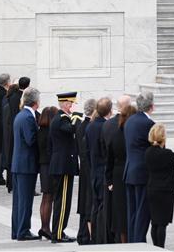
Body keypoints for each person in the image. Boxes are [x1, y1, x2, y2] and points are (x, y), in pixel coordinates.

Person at [50, 92, 83, 243]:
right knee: (62, 202)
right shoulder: (61, 118)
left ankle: (59, 231)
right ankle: (57, 233)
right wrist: (76, 116)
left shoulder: (62, 118)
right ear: (65, 103)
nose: (72, 106)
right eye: (71, 103)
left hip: (63, 165)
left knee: (64, 201)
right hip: (62, 166)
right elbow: (72, 129)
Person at [145, 124, 174, 248]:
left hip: (152, 188)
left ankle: (155, 247)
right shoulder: (167, 153)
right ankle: (160, 247)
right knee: (162, 223)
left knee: (155, 222)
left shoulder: (148, 152)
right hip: (165, 190)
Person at [124, 92, 156, 243]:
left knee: (132, 211)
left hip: (129, 170)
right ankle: (138, 242)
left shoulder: (129, 120)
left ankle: (132, 241)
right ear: (151, 106)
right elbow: (154, 149)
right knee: (142, 211)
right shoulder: (148, 124)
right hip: (142, 173)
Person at [11, 86, 40, 241]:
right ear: (36, 102)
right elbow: (31, 140)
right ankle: (23, 231)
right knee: (25, 200)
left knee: (18, 201)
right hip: (26, 165)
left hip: (18, 164)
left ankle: (17, 230)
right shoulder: (28, 117)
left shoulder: (20, 115)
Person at [106, 101, 135, 243]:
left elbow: (109, 158)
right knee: (131, 208)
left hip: (118, 174)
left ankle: (124, 241)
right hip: (130, 172)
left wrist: (109, 179)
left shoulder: (116, 134)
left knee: (121, 210)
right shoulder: (132, 134)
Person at [87, 98, 112, 243]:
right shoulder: (105, 126)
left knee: (96, 205)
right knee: (103, 206)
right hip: (102, 170)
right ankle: (102, 237)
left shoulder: (90, 126)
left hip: (94, 170)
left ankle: (95, 236)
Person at [4, 77, 30, 193]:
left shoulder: (13, 96)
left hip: (12, 129)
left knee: (12, 156)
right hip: (18, 130)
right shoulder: (22, 98)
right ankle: (15, 184)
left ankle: (10, 184)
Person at [75, 98, 96, 244]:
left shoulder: (81, 125)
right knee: (88, 202)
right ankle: (85, 235)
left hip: (84, 167)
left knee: (84, 203)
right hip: (89, 169)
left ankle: (83, 233)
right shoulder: (90, 126)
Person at [37, 106, 58, 241]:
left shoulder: (40, 131)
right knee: (49, 198)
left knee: (46, 197)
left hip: (43, 166)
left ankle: (44, 226)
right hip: (49, 166)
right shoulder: (50, 132)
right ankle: (45, 228)